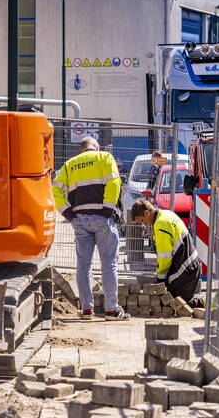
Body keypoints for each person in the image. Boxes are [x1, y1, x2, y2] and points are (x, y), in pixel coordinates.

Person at [53, 137, 131, 320]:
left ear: (81, 149)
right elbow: (114, 182)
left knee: (83, 266)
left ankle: (87, 309)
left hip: (79, 220)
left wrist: (69, 214)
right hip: (103, 218)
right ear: (97, 147)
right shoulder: (105, 157)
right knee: (109, 264)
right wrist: (107, 209)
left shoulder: (70, 165)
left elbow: (55, 190)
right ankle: (111, 310)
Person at [130, 198, 203, 307]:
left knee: (176, 304)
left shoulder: (160, 224)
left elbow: (165, 257)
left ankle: (211, 303)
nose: (143, 224)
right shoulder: (166, 214)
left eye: (141, 220)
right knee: (176, 302)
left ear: (146, 213)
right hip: (190, 265)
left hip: (186, 269)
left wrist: (161, 279)